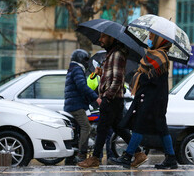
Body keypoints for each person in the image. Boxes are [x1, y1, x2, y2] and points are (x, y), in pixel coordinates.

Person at [109, 32, 178, 169]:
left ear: (160, 40)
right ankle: (171, 158)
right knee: (161, 129)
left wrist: (140, 77)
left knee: (139, 126)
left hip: (153, 99)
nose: (150, 40)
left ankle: (128, 157)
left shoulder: (160, 57)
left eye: (152, 37)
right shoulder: (153, 55)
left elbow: (153, 79)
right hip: (152, 98)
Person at [77, 33, 147, 168]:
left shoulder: (117, 55)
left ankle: (95, 158)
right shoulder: (112, 54)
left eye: (103, 37)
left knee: (102, 128)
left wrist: (107, 97)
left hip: (112, 99)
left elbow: (118, 79)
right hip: (114, 99)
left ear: (112, 38)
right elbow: (112, 76)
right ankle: (139, 153)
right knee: (119, 128)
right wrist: (101, 73)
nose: (100, 39)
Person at [64, 49, 100, 163]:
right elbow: (82, 87)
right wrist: (96, 98)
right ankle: (81, 154)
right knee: (86, 127)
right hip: (76, 106)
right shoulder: (77, 70)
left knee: (78, 130)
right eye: (86, 60)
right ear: (81, 59)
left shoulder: (73, 69)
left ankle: (71, 157)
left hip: (73, 104)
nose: (87, 62)